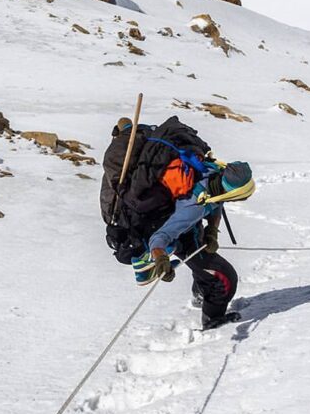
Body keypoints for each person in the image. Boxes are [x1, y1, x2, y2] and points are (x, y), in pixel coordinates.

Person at [100, 115, 254, 329]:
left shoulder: (214, 171)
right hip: (170, 228)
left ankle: (201, 293)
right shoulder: (194, 206)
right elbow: (160, 237)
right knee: (224, 278)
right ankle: (213, 321)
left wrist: (212, 231)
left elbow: (217, 203)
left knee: (202, 259)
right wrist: (161, 258)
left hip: (187, 226)